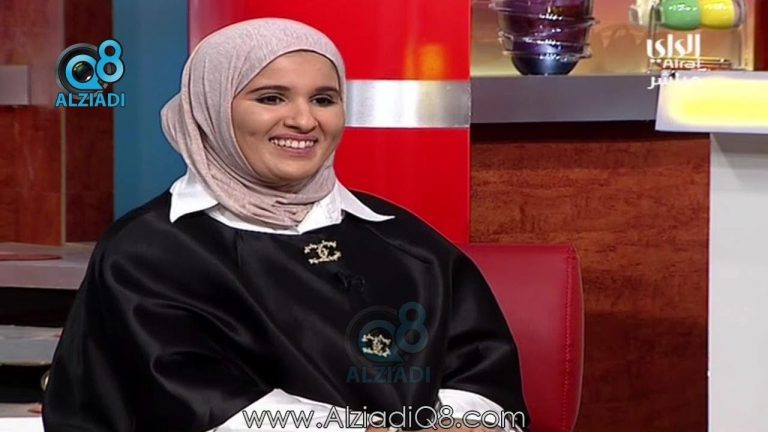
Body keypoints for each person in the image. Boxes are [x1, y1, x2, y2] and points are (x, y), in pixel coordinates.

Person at [42, 18, 529, 432]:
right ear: (212, 107)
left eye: (324, 99)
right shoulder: (147, 252)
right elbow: (191, 402)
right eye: (271, 98)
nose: (303, 120)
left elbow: (481, 372)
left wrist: (463, 423)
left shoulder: (405, 242)